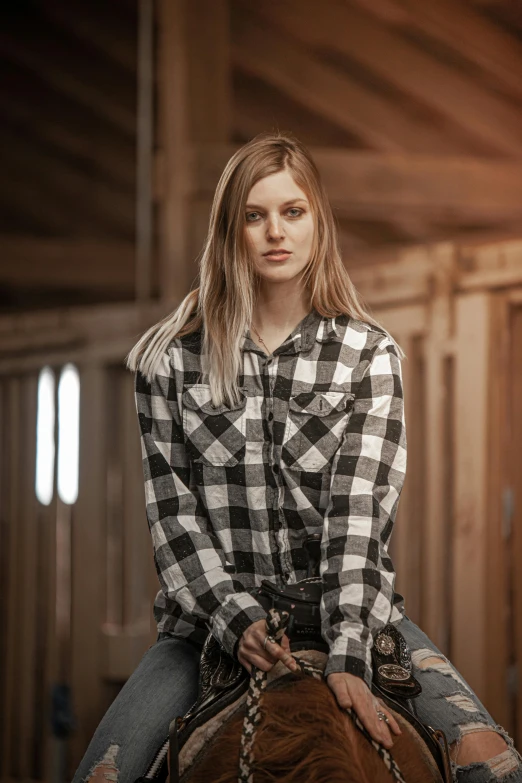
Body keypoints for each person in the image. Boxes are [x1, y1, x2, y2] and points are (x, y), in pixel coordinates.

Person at [73, 132, 522, 783]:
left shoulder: (369, 356)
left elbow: (359, 515)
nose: (274, 232)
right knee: (101, 775)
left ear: (319, 223)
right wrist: (233, 617)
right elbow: (174, 520)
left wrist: (347, 652)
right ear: (231, 230)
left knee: (500, 769)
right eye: (254, 215)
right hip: (204, 632)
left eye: (292, 211)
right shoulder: (170, 360)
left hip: (350, 618)